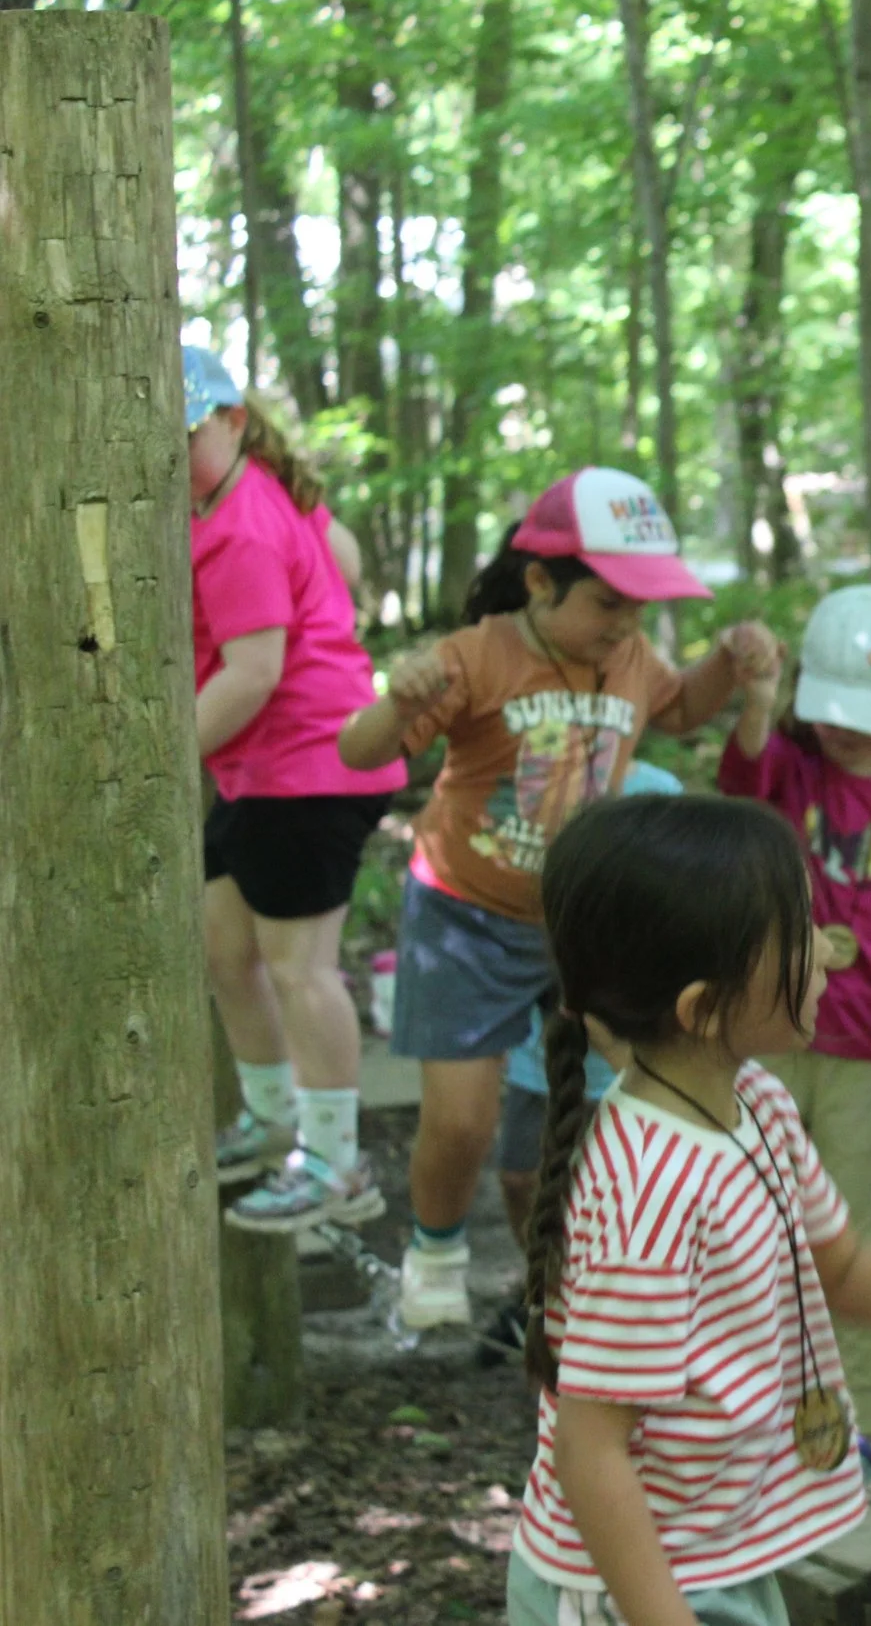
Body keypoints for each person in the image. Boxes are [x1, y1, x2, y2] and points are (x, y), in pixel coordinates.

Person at [506, 794, 871, 1625]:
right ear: (703, 1006)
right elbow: (594, 1454)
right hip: (632, 1583)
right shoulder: (650, 1195)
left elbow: (839, 1267)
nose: (828, 954)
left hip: (718, 1551)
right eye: (797, 936)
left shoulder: (755, 1105)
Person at [336, 467, 776, 1331]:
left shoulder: (630, 659)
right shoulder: (478, 656)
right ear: (540, 583)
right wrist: (400, 697)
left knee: (615, 1097)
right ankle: (435, 1250)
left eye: (639, 609)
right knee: (461, 1119)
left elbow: (682, 708)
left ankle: (604, 1275)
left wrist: (727, 663)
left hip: (577, 920)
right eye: (611, 604)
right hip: (464, 914)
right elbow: (360, 752)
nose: (627, 627)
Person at [718, 583, 871, 1474]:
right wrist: (758, 697)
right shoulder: (788, 767)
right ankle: (744, 1415)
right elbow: (739, 783)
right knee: (746, 1225)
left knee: (845, 1240)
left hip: (860, 1045)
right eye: (834, 710)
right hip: (765, 1033)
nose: (847, 730)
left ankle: (846, 1424)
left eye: (868, 715)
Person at [185, 346, 411, 1233]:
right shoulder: (253, 495)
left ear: (233, 422)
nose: (173, 458)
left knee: (298, 969)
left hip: (308, 767)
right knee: (225, 949)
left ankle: (334, 1162)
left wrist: (160, 760)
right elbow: (343, 562)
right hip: (264, 772)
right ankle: (273, 1114)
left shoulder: (239, 521)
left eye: (188, 436)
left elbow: (253, 672)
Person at [475, 758, 684, 1361]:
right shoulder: (528, 778)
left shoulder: (654, 787)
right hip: (548, 1032)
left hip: (628, 1032)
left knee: (621, 1184)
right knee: (522, 1173)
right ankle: (547, 1290)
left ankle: (604, 1311)